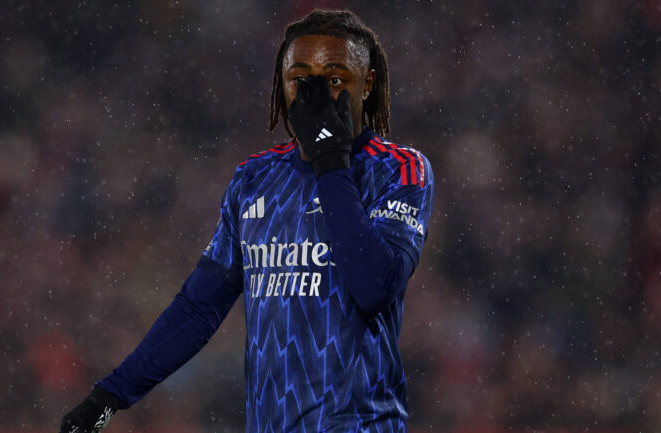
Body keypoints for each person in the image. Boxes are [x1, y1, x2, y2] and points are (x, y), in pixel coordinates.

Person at [60, 9, 434, 433]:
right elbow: (200, 307)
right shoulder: (255, 177)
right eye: (300, 80)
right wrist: (109, 396)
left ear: (366, 84)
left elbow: (374, 286)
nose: (316, 96)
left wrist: (331, 160)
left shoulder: (399, 169)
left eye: (334, 79)